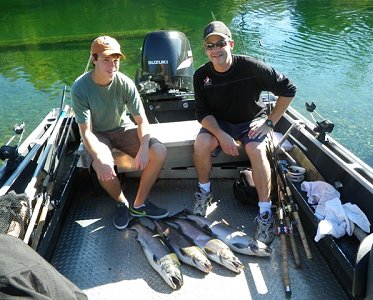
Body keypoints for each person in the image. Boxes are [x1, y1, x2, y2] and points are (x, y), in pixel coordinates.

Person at [193, 21, 296, 244]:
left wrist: (270, 123)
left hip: (252, 121)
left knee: (256, 150)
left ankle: (265, 211)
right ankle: (204, 192)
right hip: (220, 122)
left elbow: (288, 89)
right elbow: (202, 114)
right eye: (210, 46)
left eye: (220, 43)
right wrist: (222, 135)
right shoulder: (201, 75)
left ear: (230, 43)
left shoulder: (251, 67)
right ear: (205, 50)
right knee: (201, 144)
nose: (216, 49)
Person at [71, 36, 169, 230]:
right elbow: (86, 133)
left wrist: (143, 149)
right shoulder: (80, 88)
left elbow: (142, 122)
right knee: (102, 165)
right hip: (98, 134)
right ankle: (121, 202)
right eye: (106, 60)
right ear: (94, 59)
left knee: (159, 151)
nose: (112, 65)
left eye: (115, 60)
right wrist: (99, 157)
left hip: (122, 128)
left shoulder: (124, 83)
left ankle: (139, 204)